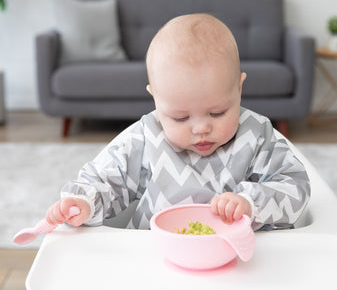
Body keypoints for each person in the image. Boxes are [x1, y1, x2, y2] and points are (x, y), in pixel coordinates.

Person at [46, 13, 310, 231]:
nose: (201, 128)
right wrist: (83, 202)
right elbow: (104, 178)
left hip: (237, 258)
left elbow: (296, 187)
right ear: (156, 100)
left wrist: (251, 202)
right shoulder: (145, 136)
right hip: (156, 257)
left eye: (217, 112)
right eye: (180, 117)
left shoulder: (257, 134)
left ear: (239, 89)